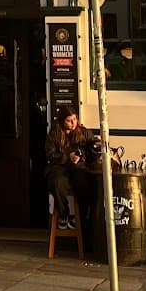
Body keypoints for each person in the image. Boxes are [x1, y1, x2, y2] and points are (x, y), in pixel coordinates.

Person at [43, 106, 98, 249]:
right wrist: (67, 157)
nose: (73, 123)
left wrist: (97, 144)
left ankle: (83, 219)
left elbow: (93, 144)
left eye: (74, 119)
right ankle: (64, 214)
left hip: (78, 169)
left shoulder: (83, 132)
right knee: (57, 183)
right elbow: (50, 155)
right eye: (69, 120)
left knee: (84, 183)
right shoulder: (54, 134)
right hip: (59, 168)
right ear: (62, 121)